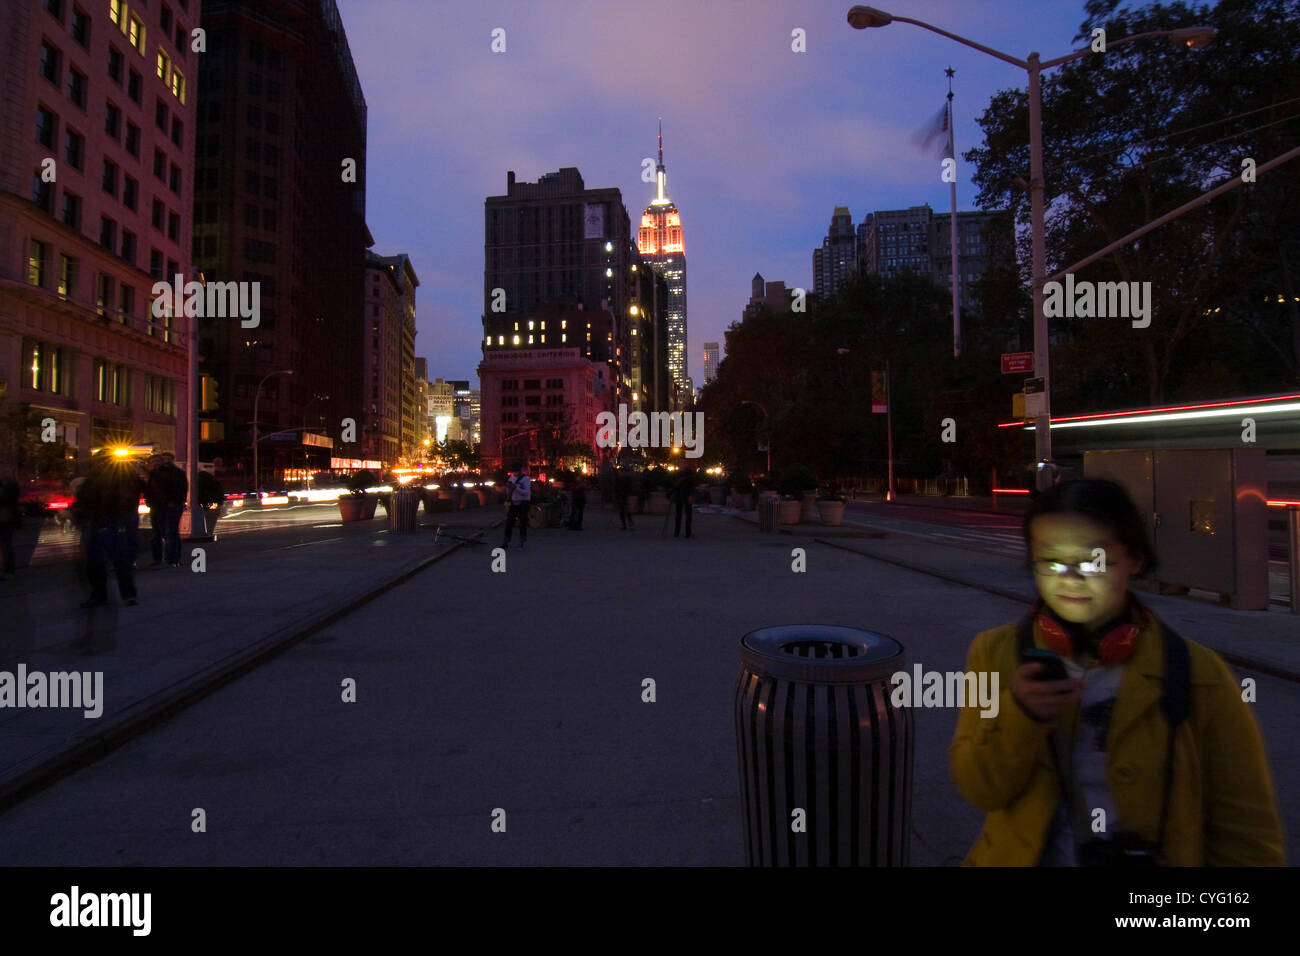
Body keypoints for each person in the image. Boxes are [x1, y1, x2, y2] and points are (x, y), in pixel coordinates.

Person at [949, 479, 1284, 866]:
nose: (1069, 579)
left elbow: (1247, 836)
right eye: (1051, 561)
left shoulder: (1200, 674)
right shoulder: (993, 654)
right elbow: (979, 789)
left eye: (1093, 562)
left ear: (1135, 560)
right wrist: (1019, 716)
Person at [74, 451, 146, 607]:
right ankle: (112, 594)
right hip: (101, 521)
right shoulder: (98, 479)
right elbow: (84, 499)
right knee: (101, 561)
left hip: (111, 521)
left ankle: (115, 594)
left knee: (114, 560)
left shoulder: (121, 478)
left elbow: (130, 496)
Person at [502, 463, 531, 549]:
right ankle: (505, 541)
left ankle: (522, 541)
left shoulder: (526, 479)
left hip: (523, 502)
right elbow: (508, 492)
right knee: (509, 522)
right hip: (514, 501)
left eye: (515, 471)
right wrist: (508, 489)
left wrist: (515, 487)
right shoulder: (511, 478)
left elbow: (526, 492)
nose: (514, 473)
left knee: (522, 522)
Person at [0, 464, 20, 579]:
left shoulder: (11, 487)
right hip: (6, 519)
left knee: (6, 545)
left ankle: (9, 570)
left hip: (7, 520)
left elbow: (9, 501)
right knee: (6, 545)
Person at [672, 467, 696, 538]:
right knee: (688, 515)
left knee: (679, 515)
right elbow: (692, 488)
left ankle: (677, 532)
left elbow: (675, 487)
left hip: (680, 497)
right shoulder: (690, 478)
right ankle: (687, 533)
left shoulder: (679, 477)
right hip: (686, 497)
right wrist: (691, 496)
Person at [615, 465, 635, 531]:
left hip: (624, 496)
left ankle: (628, 525)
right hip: (621, 495)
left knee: (625, 511)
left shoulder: (626, 479)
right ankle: (625, 524)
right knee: (622, 511)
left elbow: (629, 488)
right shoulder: (620, 479)